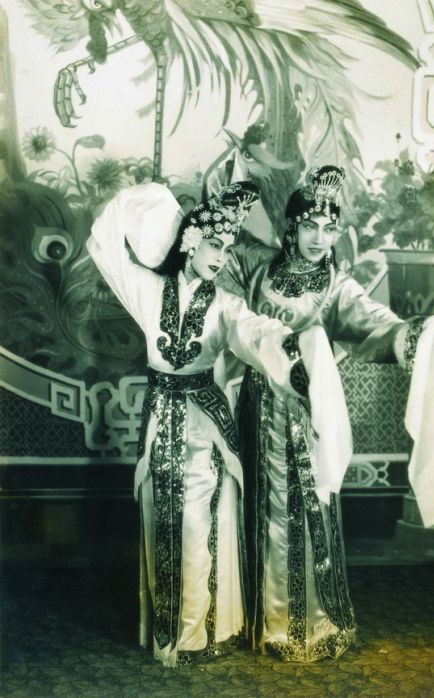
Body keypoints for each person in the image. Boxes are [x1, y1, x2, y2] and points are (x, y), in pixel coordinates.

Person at [87, 180, 302, 668]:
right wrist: (145, 197)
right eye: (216, 245)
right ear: (191, 240)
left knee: (200, 524)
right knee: (163, 521)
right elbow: (102, 245)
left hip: (205, 426)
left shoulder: (224, 304)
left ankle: (203, 632)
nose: (222, 258)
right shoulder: (147, 288)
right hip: (160, 420)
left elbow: (253, 331)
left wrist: (292, 353)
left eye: (228, 249)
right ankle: (170, 632)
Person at [218, 165, 416, 663]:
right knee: (253, 508)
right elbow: (226, 307)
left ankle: (301, 625)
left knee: (299, 514)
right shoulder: (260, 269)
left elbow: (373, 318)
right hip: (253, 407)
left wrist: (405, 336)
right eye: (310, 226)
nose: (320, 238)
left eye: (330, 229)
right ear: (292, 226)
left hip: (301, 416)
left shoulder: (334, 285)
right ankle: (258, 620)